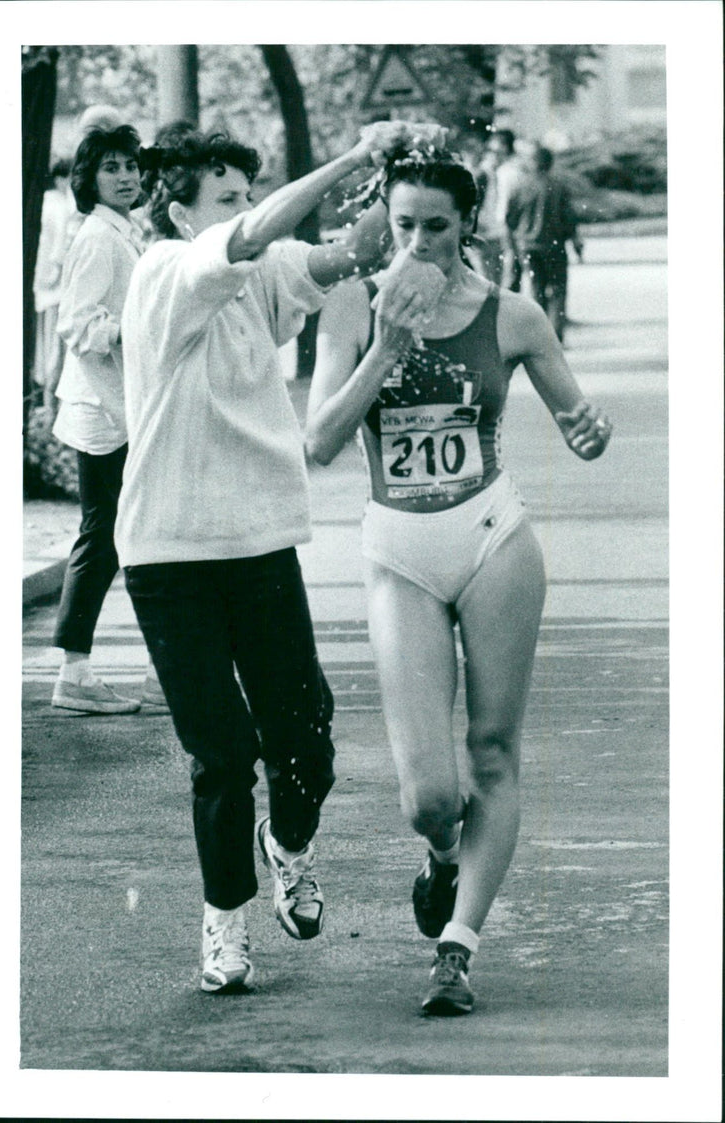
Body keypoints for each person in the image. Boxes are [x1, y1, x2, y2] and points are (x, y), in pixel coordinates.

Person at [114, 121, 436, 994]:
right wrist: (356, 155)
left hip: (259, 544)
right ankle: (225, 923)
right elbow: (258, 236)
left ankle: (287, 844)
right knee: (222, 753)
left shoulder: (259, 272)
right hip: (168, 553)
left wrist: (401, 171)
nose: (246, 211)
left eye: (247, 193)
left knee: (308, 741)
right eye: (227, 198)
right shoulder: (166, 274)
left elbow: (348, 252)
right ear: (180, 213)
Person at [305, 144, 612, 1016]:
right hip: (398, 547)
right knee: (428, 794)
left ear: (466, 225)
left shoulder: (511, 315)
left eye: (436, 227)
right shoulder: (351, 309)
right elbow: (320, 440)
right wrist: (385, 347)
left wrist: (590, 432)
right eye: (402, 226)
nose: (418, 243)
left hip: (492, 537)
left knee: (492, 753)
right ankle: (442, 855)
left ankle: (457, 948)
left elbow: (575, 415)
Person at [51, 124, 165, 714]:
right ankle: (75, 674)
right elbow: (76, 323)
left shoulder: (124, 231)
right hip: (104, 411)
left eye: (130, 167)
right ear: (89, 178)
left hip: (124, 407)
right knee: (106, 537)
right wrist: (133, 331)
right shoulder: (98, 236)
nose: (125, 177)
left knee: (125, 536)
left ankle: (153, 671)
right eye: (112, 168)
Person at [507, 144, 583, 342]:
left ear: (532, 163)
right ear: (550, 163)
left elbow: (510, 219)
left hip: (527, 246)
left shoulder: (519, 186)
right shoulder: (558, 187)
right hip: (554, 246)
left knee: (536, 289)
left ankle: (540, 336)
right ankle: (555, 335)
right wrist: (576, 245)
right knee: (557, 290)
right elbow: (570, 219)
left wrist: (513, 245)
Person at [32, 158, 74, 419]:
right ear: (60, 178)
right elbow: (58, 247)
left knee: (52, 347)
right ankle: (49, 408)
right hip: (53, 284)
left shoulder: (54, 202)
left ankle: (49, 406)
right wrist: (55, 273)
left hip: (49, 283)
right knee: (52, 349)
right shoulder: (57, 204)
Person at [474, 128, 524, 289]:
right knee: (487, 279)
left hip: (496, 233)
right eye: (494, 152)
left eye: (501, 153)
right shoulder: (482, 174)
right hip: (483, 234)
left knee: (498, 280)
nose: (498, 157)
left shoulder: (500, 173)